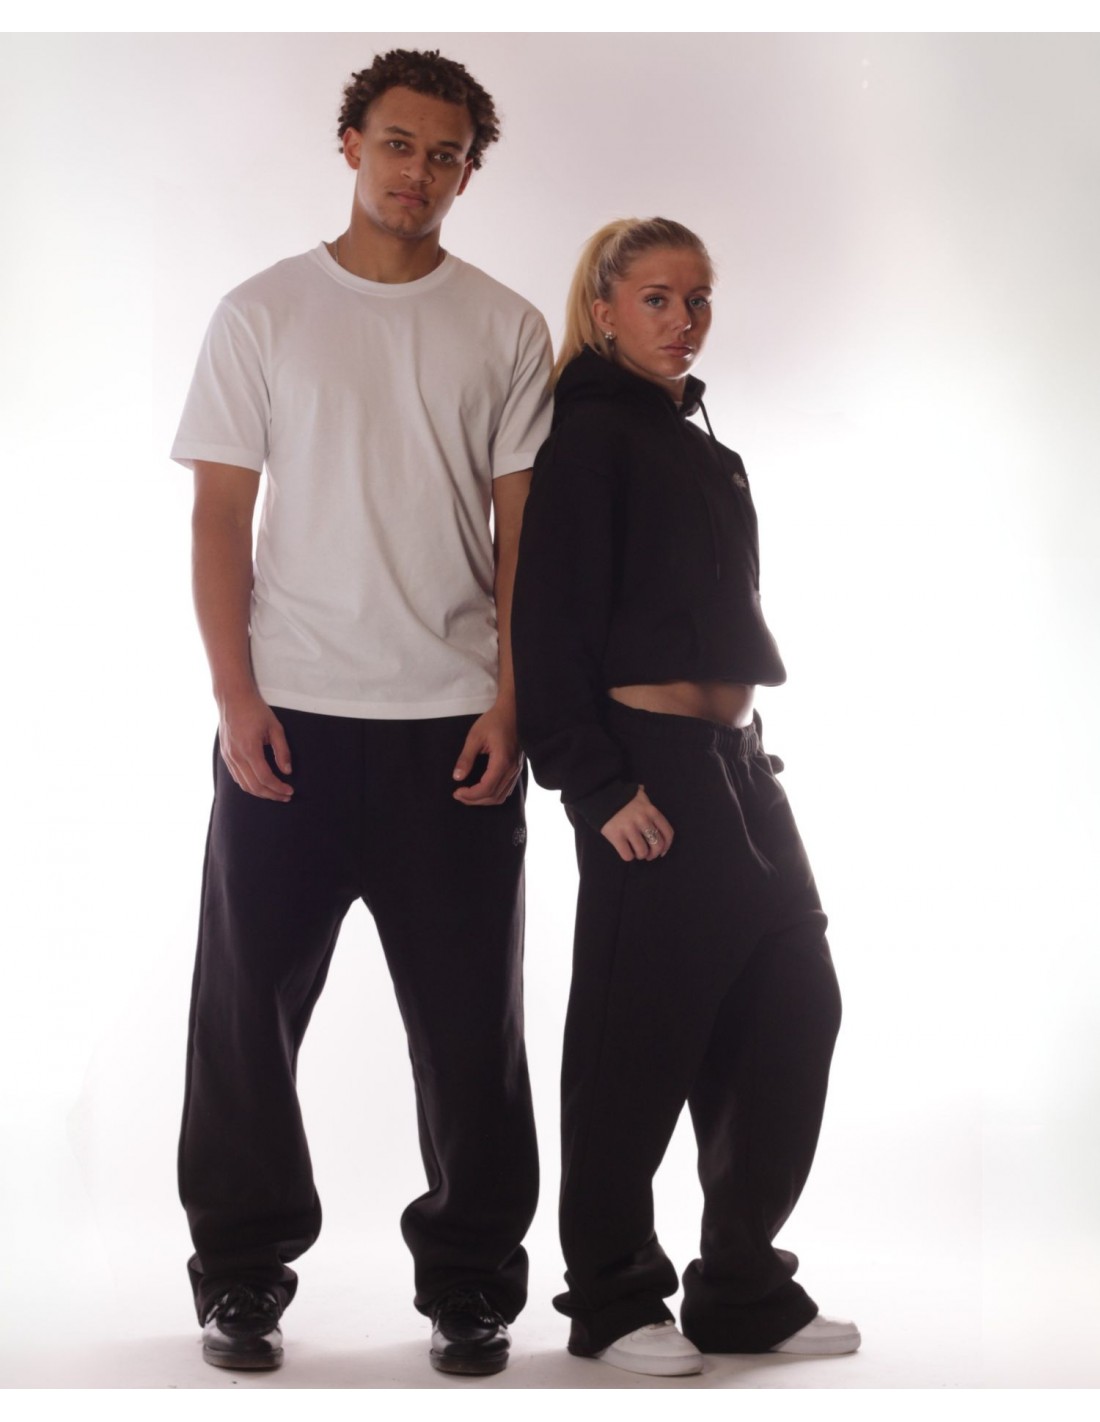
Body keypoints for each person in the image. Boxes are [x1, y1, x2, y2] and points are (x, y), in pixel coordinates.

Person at [170, 49, 549, 1376]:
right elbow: (219, 517)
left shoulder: (503, 325)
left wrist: (511, 698)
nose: (418, 173)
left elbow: (523, 538)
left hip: (453, 725)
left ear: (467, 171)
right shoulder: (263, 311)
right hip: (290, 724)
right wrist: (235, 698)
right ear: (350, 143)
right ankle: (240, 1276)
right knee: (244, 1017)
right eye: (398, 144)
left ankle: (471, 1284)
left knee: (470, 1027)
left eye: (446, 155)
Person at [512, 217, 858, 1377]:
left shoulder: (702, 448)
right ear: (602, 308)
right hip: (644, 761)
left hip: (738, 763)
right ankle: (612, 1299)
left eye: (696, 298)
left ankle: (740, 1289)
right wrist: (594, 783)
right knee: (637, 1036)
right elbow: (546, 624)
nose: (682, 320)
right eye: (655, 298)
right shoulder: (586, 439)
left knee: (791, 1001)